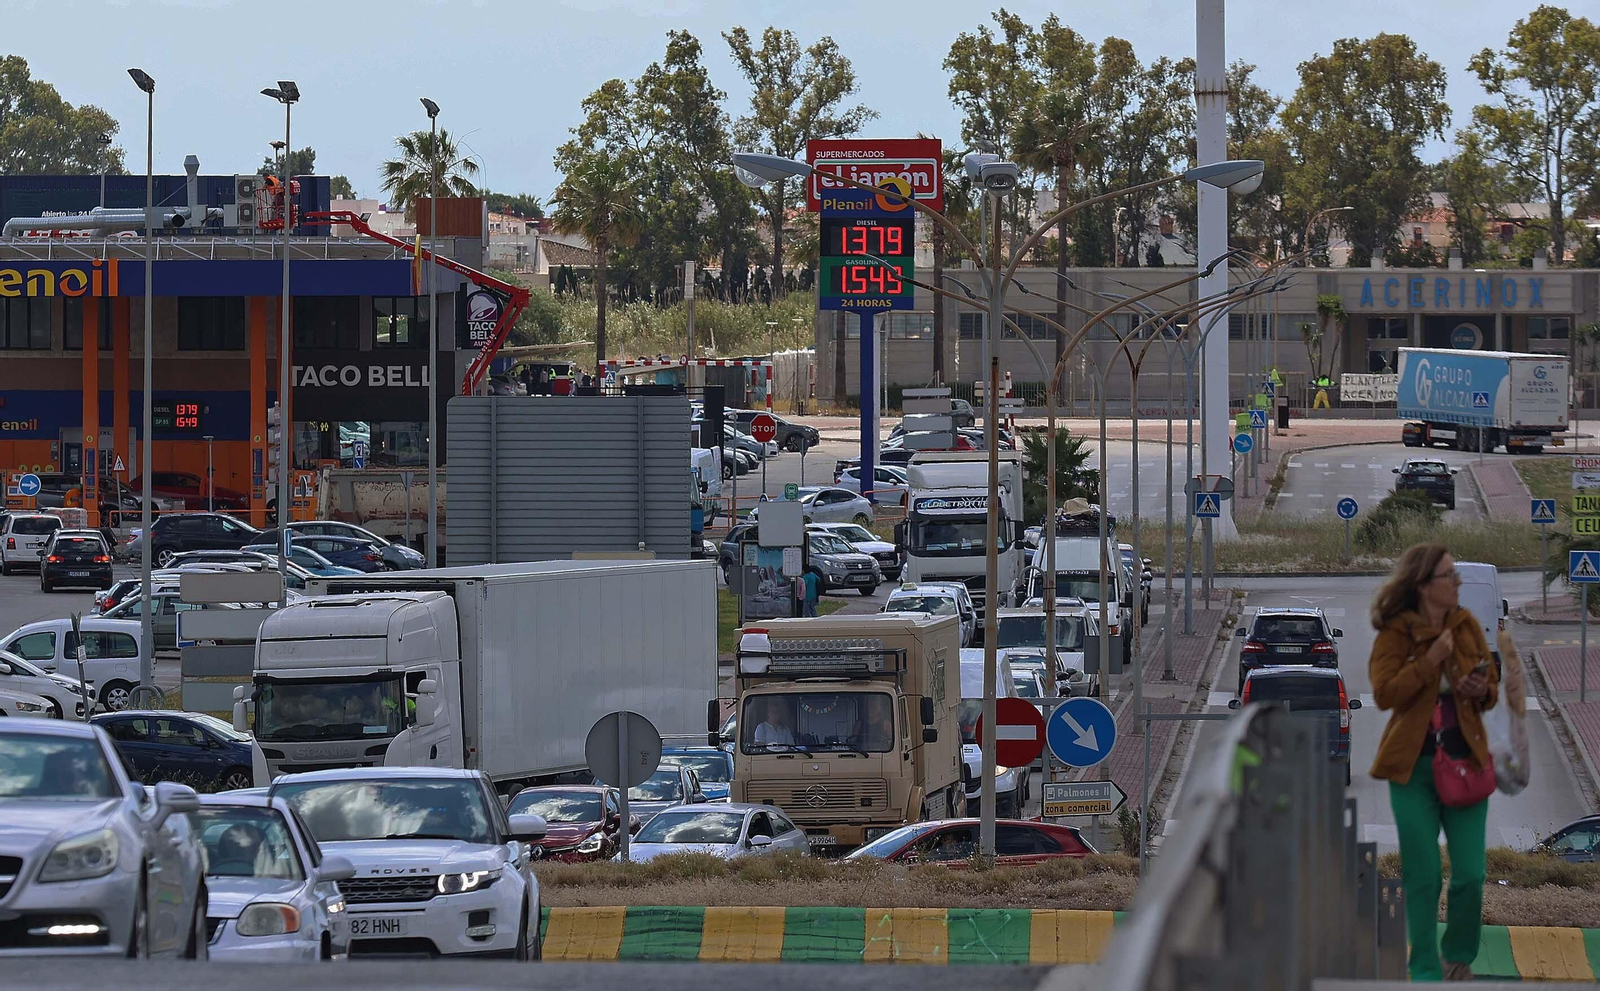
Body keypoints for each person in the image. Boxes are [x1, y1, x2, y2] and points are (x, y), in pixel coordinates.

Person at [1369, 543, 1498, 982]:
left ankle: (1456, 957)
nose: (1457, 582)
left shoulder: (1466, 625)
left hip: (1465, 766)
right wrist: (1430, 662)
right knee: (1423, 876)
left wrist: (1480, 689)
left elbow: (1491, 682)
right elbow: (1385, 693)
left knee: (1471, 875)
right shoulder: (1395, 633)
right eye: (1449, 576)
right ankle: (1424, 971)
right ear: (1424, 585)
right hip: (1412, 771)